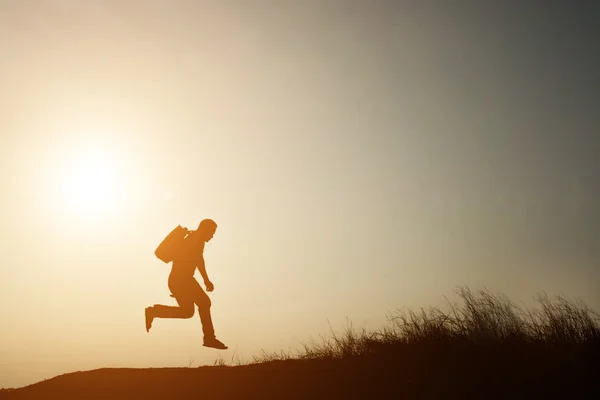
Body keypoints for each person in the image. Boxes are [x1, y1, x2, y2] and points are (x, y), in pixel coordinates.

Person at [145, 218, 227, 350]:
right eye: (211, 232)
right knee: (204, 303)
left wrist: (204, 279)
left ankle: (154, 311)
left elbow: (197, 259)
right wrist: (206, 279)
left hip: (180, 280)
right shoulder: (194, 239)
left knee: (187, 312)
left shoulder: (195, 239)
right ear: (204, 229)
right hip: (182, 280)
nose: (212, 236)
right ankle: (209, 339)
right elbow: (198, 259)